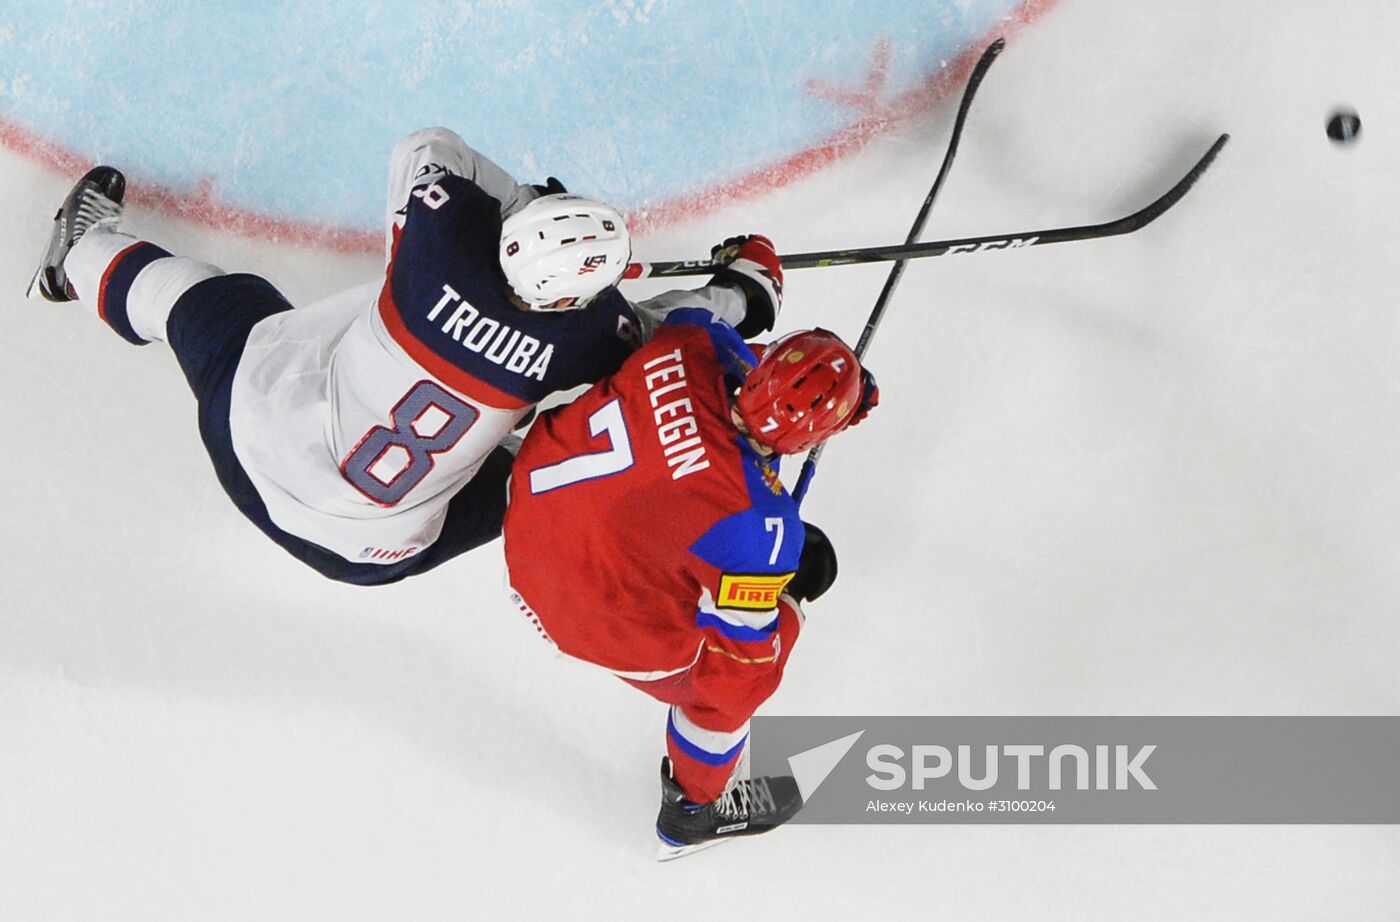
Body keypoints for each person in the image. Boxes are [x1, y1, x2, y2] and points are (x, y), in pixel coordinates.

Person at [26, 128, 781, 585]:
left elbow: (428, 148)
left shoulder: (439, 248)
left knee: (213, 304)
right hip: (371, 553)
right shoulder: (591, 334)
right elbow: (674, 343)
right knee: (565, 457)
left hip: (254, 446)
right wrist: (747, 294)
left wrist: (516, 201)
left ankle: (77, 258)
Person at [502, 291, 878, 857]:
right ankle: (693, 812)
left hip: (527, 518)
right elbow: (732, 683)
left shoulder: (691, 342)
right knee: (746, 663)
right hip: (580, 616)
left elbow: (714, 334)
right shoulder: (759, 533)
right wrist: (788, 603)